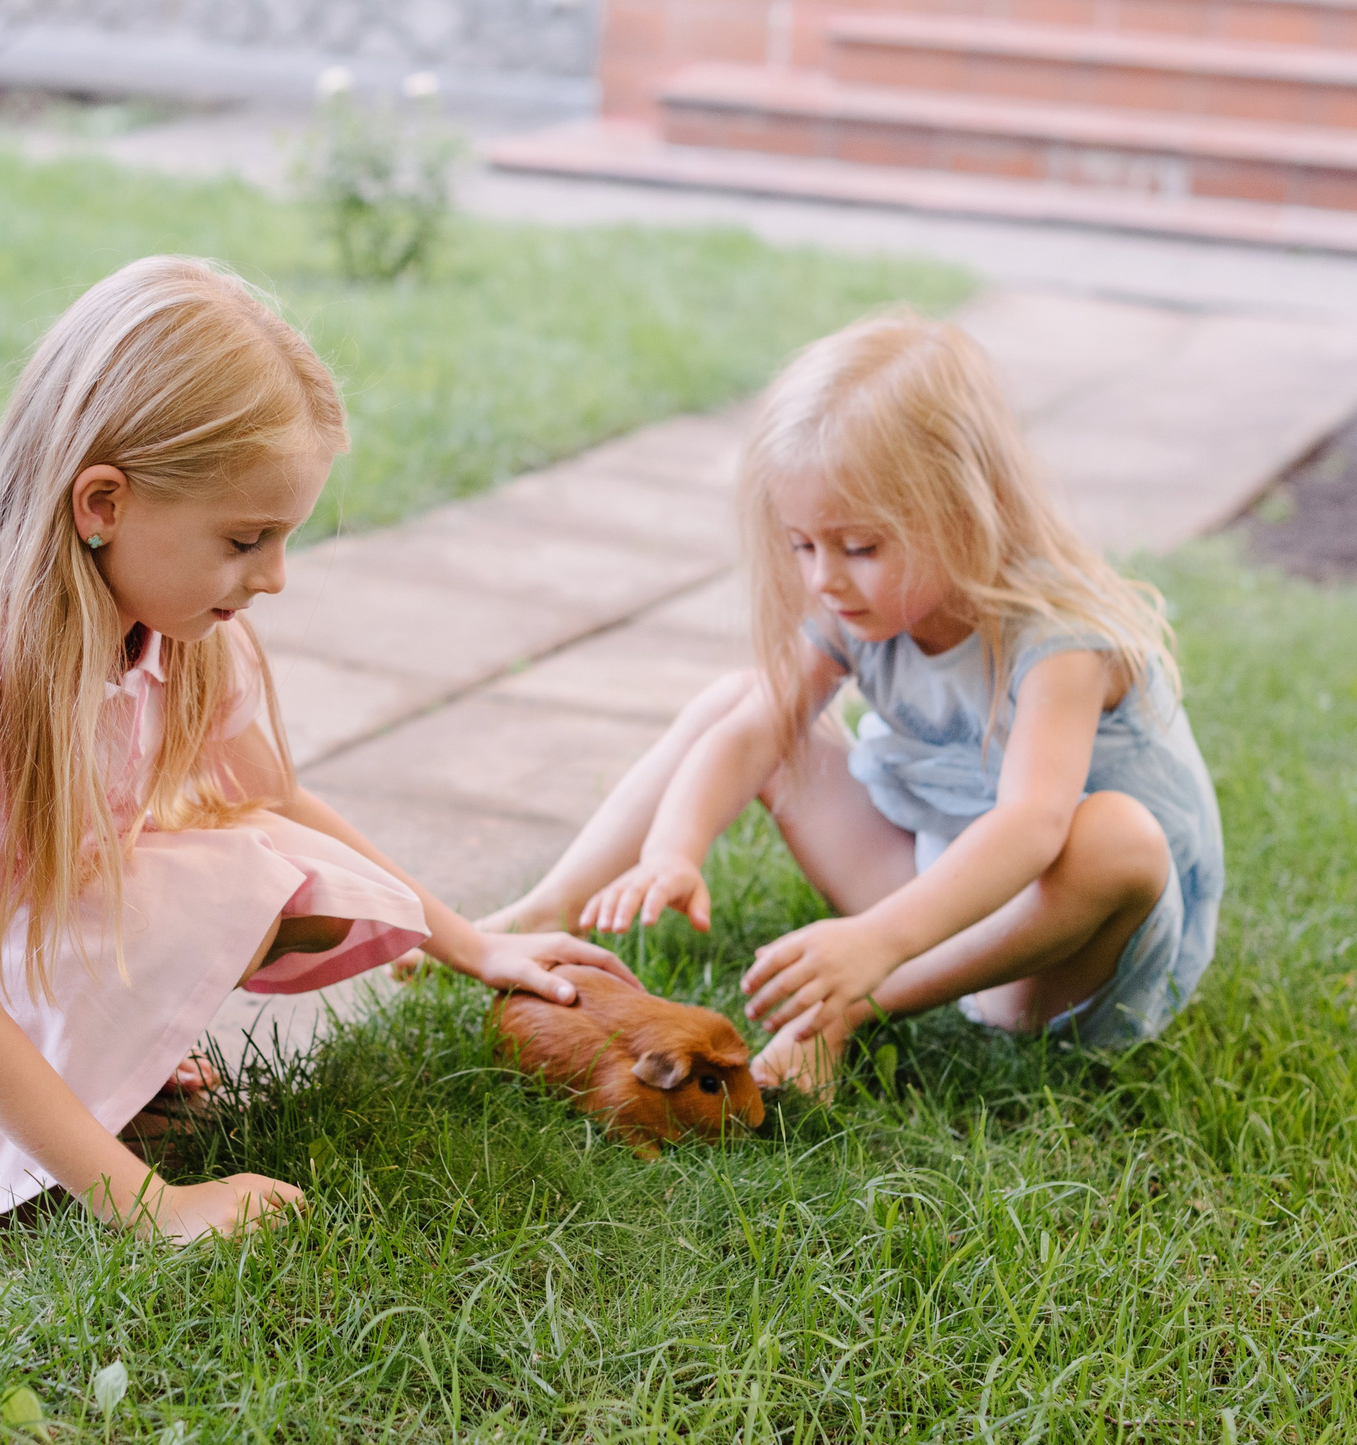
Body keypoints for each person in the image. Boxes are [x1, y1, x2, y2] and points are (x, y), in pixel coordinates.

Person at [0, 255, 630, 1274]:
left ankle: (65, 1088)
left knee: (289, 867)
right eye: (245, 537)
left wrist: (474, 944)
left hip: (10, 942)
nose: (272, 576)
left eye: (283, 538)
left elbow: (274, 798)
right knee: (239, 871)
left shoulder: (180, 630)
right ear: (101, 502)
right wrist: (152, 1205)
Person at [480, 312, 1223, 1092]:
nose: (823, 578)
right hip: (941, 909)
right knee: (744, 698)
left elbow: (1032, 829)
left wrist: (873, 941)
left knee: (1117, 836)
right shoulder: (857, 604)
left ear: (966, 511)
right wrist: (675, 845)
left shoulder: (1061, 640)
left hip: (1060, 962)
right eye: (803, 544)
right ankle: (546, 911)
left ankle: (848, 1004)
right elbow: (751, 734)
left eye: (860, 546)